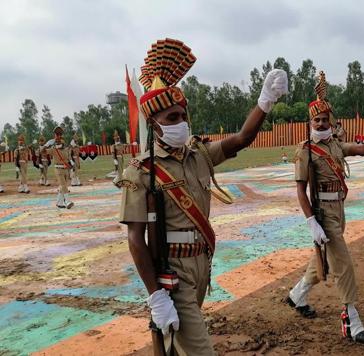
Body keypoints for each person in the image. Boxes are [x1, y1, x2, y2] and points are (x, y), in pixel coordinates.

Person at [119, 38, 288, 355]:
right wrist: (156, 295)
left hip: (202, 264)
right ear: (154, 126)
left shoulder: (197, 154)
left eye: (183, 116)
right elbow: (135, 239)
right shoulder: (141, 172)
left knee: (175, 345)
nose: (180, 123)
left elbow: (241, 139)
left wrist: (265, 101)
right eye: (171, 118)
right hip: (173, 272)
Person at [285, 71, 364, 345]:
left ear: (331, 121)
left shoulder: (334, 144)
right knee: (343, 264)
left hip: (338, 209)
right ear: (310, 122)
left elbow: (361, 150)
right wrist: (311, 222)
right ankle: (352, 322)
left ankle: (297, 294)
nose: (320, 123)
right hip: (322, 214)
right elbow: (300, 189)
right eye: (316, 119)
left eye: (324, 119)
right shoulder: (305, 150)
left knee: (325, 259)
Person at [48, 126, 75, 208]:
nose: (61, 143)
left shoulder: (66, 149)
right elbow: (42, 152)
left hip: (65, 169)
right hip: (58, 169)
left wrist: (72, 166)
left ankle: (59, 202)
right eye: (59, 142)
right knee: (64, 185)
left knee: (62, 186)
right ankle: (67, 201)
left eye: (62, 142)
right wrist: (46, 145)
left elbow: (68, 159)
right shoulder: (53, 149)